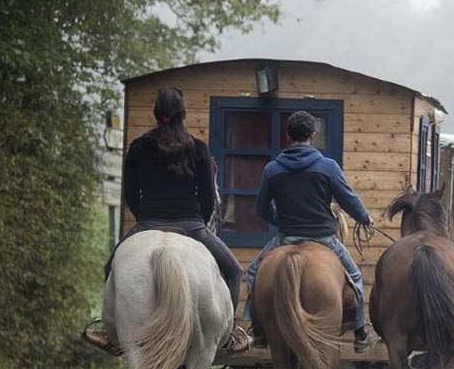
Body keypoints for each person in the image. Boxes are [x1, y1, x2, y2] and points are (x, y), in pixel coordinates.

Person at [88, 87, 249, 354]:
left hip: (148, 222)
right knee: (233, 271)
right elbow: (208, 196)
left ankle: (109, 332)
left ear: (156, 113)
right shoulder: (198, 148)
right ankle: (228, 332)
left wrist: (145, 221)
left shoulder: (139, 147)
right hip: (192, 226)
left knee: (111, 269)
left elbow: (130, 192)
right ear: (183, 114)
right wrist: (198, 219)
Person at [244, 110, 376, 353]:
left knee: (253, 273)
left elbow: (261, 208)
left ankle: (258, 330)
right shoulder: (328, 166)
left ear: (288, 136)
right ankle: (359, 333)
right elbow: (347, 199)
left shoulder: (272, 169)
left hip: (286, 238)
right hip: (324, 239)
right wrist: (364, 217)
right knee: (355, 277)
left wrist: (279, 219)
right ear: (313, 136)